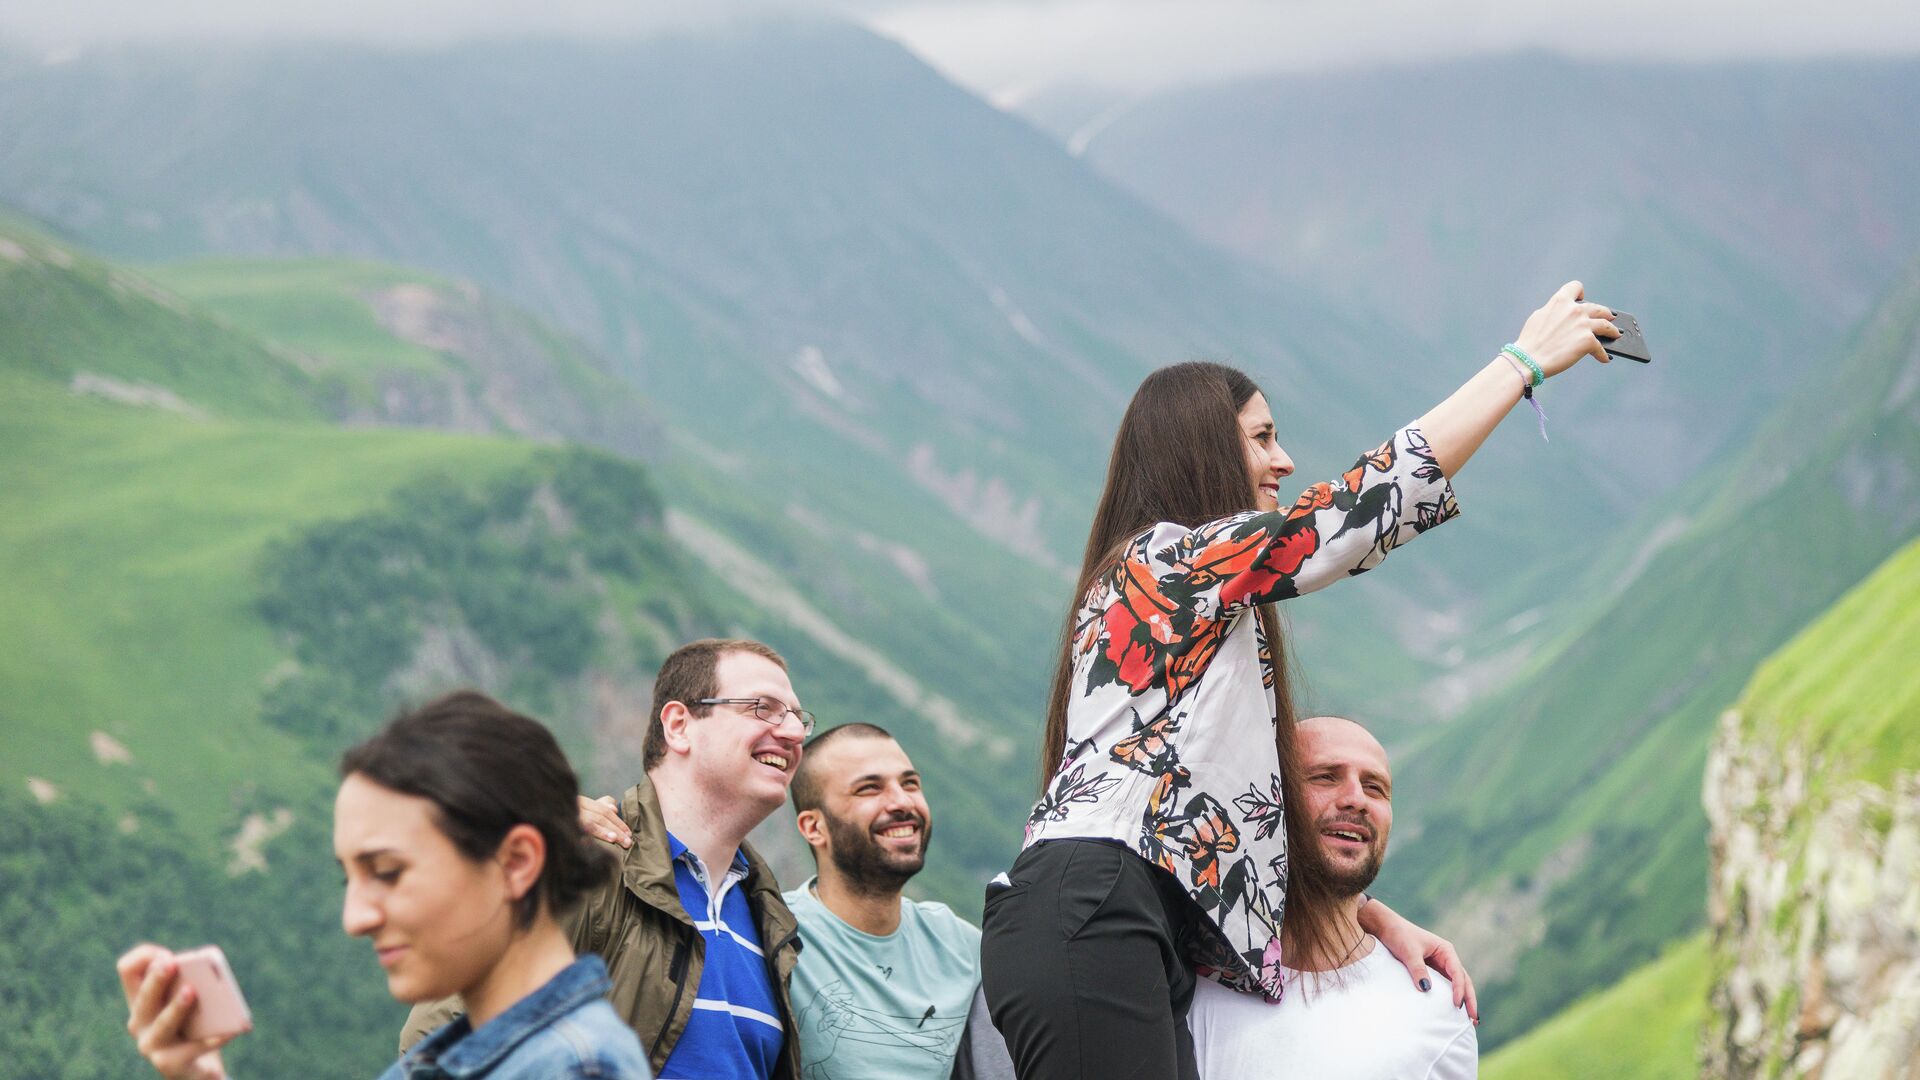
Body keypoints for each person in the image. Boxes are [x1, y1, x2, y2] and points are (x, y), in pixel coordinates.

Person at [981, 282, 1619, 1078]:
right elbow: (1352, 515)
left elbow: (1203, 823)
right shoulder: (1165, 563)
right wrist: (1520, 365)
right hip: (1095, 916)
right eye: (1262, 438)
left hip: (1110, 922)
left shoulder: (1185, 600)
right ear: (1201, 449)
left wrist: (1366, 919)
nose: (1283, 460)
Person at [117, 691, 652, 1080]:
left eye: (388, 873)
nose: (356, 918)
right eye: (349, 878)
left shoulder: (574, 1069)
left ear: (515, 863)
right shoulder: (446, 1063)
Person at [410, 638, 811, 1079]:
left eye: (797, 717)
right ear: (679, 725)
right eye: (763, 708)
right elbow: (441, 1042)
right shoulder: (581, 865)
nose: (792, 732)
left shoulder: (772, 919)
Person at [1188, 716, 1477, 1078]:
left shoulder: (1436, 1013)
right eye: (1325, 776)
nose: (1357, 799)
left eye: (1375, 788)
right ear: (1270, 796)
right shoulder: (1186, 977)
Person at [778, 722, 990, 1079]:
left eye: (910, 783)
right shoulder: (774, 936)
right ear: (814, 828)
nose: (903, 802)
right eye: (869, 789)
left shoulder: (961, 947)